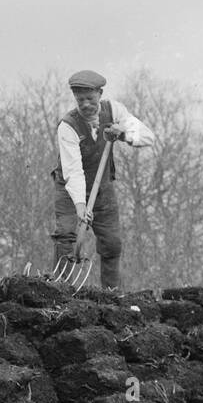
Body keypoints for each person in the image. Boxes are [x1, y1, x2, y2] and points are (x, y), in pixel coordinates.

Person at [51, 70, 154, 291]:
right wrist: (80, 206)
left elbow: (148, 136)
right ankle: (59, 292)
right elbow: (73, 170)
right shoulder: (68, 126)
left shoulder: (114, 110)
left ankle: (111, 295)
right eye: (80, 100)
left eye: (90, 98)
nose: (86, 104)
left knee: (112, 243)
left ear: (100, 93)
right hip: (70, 192)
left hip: (103, 191)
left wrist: (124, 134)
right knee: (66, 237)